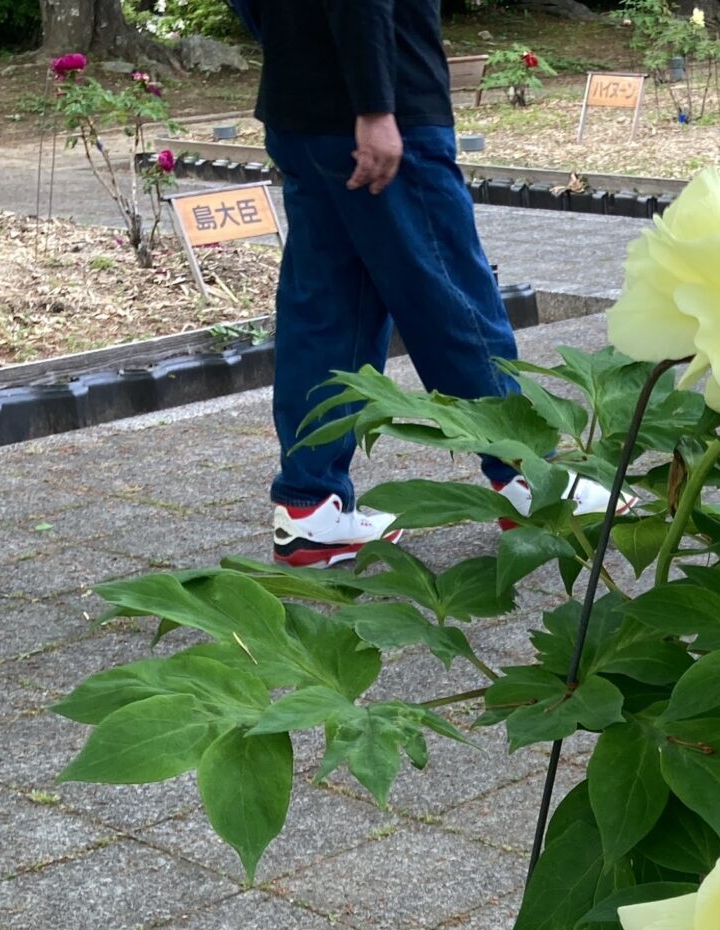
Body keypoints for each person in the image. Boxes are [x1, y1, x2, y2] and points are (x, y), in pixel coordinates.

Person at [244, 0, 608, 565]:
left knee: (327, 312)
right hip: (384, 113)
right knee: (454, 300)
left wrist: (299, 43)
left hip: (300, 109)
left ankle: (309, 507)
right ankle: (532, 482)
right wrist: (373, 104)